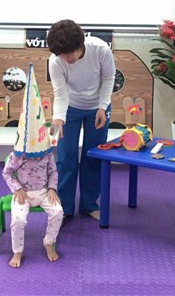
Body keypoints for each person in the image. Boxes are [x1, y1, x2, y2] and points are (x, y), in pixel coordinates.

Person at [46, 19, 116, 222]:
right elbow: (60, 94)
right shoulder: (56, 60)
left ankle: (89, 205)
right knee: (65, 157)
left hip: (98, 107)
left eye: (69, 53)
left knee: (93, 156)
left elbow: (109, 78)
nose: (66, 58)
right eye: (61, 54)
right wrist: (58, 118)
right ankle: (64, 207)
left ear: (80, 45)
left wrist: (103, 106)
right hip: (70, 107)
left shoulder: (101, 50)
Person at [1, 132, 64, 268]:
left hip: (44, 192)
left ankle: (49, 242)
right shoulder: (17, 155)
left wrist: (52, 188)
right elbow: (7, 173)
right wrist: (17, 188)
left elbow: (53, 172)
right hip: (23, 194)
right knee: (18, 219)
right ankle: (17, 251)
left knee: (58, 212)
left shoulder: (47, 154)